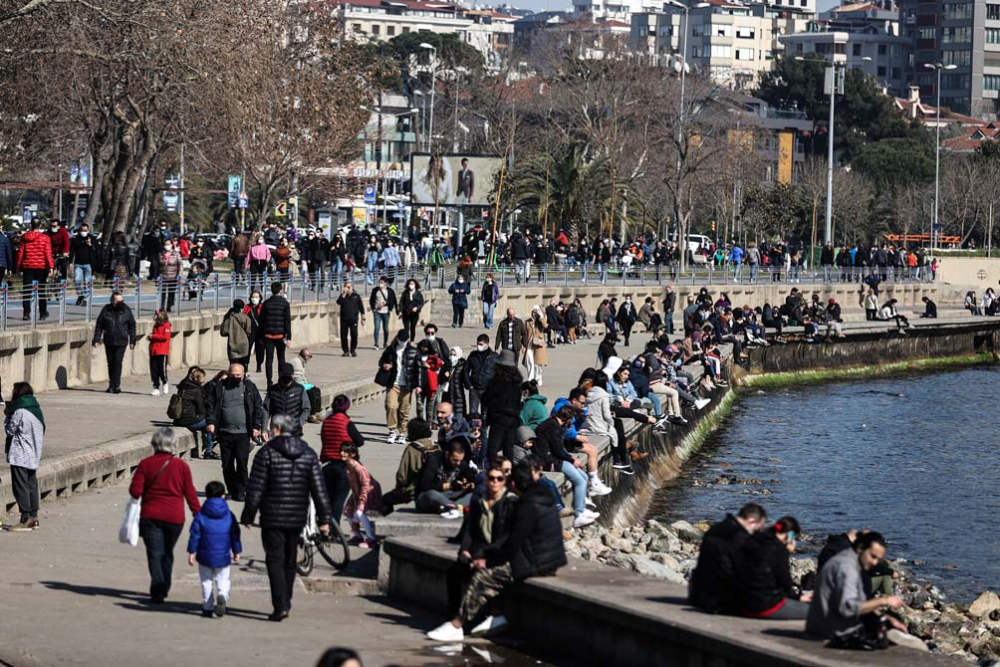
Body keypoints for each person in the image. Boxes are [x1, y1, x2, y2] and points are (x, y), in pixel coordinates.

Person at [426, 459, 567, 642]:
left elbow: (513, 543)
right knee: (469, 569)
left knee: (485, 575)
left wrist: (487, 559)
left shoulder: (526, 506)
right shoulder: (541, 497)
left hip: (539, 562)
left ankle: (457, 625)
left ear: (513, 484)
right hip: (547, 559)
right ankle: (494, 616)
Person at [241, 415, 334, 622]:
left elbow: (255, 488)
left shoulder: (266, 453)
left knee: (274, 559)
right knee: (290, 560)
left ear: (277, 429)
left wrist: (248, 515)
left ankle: (280, 604)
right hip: (297, 516)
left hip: (272, 516)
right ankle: (287, 600)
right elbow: (319, 490)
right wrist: (324, 519)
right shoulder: (308, 454)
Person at [807, 532, 925, 651]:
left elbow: (855, 602)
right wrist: (884, 601)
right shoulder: (847, 568)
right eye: (873, 556)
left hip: (826, 624)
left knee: (891, 627)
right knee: (916, 646)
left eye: (878, 559)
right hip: (830, 631)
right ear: (860, 548)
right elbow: (848, 608)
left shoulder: (848, 559)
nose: (874, 563)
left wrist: (884, 617)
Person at [129, 428, 201, 603]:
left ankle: (157, 589)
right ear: (172, 445)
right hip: (174, 518)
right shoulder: (181, 466)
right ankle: (165, 585)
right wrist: (198, 514)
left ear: (154, 444)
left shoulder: (146, 464)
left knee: (154, 553)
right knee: (167, 552)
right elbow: (190, 493)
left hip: (150, 516)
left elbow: (135, 491)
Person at [446, 459, 516, 633]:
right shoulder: (479, 500)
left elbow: (507, 536)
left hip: (499, 554)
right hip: (480, 549)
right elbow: (470, 529)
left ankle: (463, 622)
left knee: (484, 574)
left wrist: (484, 555)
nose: (495, 482)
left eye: (500, 479)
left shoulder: (510, 502)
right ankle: (452, 616)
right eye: (492, 478)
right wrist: (464, 550)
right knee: (455, 572)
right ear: (486, 479)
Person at [689, 503, 768, 614]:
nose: (757, 532)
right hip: (722, 600)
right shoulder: (741, 538)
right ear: (751, 521)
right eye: (758, 528)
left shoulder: (715, 529)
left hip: (698, 594)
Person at [206, 363, 264, 502]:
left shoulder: (249, 387)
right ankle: (232, 488)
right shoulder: (220, 387)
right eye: (233, 375)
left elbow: (257, 407)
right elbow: (210, 405)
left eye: (239, 375)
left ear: (243, 374)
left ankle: (241, 490)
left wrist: (256, 426)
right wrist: (211, 422)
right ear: (229, 374)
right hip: (225, 432)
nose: (236, 377)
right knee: (227, 464)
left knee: (242, 462)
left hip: (243, 433)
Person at [186, 480, 243, 618]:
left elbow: (195, 534)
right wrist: (236, 551)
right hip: (223, 555)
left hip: (204, 555)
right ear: (224, 496)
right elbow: (235, 533)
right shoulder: (229, 515)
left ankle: (207, 605)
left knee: (206, 581)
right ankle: (222, 594)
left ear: (206, 495)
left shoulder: (200, 515)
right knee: (223, 579)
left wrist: (192, 552)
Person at [736, 516, 810, 620]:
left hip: (741, 602)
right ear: (790, 535)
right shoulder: (778, 549)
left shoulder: (754, 540)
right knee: (815, 612)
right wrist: (798, 597)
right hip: (764, 605)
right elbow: (785, 583)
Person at [320, 394, 366, 527]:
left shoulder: (327, 422)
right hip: (344, 467)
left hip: (327, 466)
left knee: (327, 498)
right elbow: (360, 441)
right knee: (338, 500)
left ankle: (324, 526)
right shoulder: (346, 422)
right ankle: (335, 530)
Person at [5, 383, 44, 531]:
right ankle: (34, 517)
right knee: (31, 485)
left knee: (20, 487)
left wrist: (8, 416)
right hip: (33, 454)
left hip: (20, 455)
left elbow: (10, 430)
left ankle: (25, 518)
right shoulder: (36, 410)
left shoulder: (20, 411)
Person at [381, 418, 438, 514]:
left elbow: (402, 475)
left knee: (384, 500)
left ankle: (386, 523)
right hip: (436, 486)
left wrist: (400, 488)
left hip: (414, 489)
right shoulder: (436, 446)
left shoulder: (412, 448)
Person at [377, 330, 418, 444]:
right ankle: (392, 430)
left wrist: (418, 385)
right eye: (401, 340)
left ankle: (402, 432)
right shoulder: (391, 350)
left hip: (407, 384)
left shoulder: (413, 351)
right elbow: (381, 361)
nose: (402, 342)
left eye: (404, 341)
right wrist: (384, 365)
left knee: (404, 410)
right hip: (393, 383)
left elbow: (417, 369)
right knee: (391, 406)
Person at [92, 291, 137, 394]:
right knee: (111, 363)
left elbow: (132, 326)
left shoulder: (126, 310)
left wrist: (132, 341)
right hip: (109, 340)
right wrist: (97, 339)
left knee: (117, 362)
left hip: (121, 340)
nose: (121, 303)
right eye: (118, 301)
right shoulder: (106, 310)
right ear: (113, 301)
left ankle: (116, 385)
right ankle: (111, 384)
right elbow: (99, 325)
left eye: (122, 301)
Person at [482, 350, 523, 463]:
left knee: (492, 449)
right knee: (508, 449)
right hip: (513, 419)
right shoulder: (517, 384)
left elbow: (485, 399)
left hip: (498, 418)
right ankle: (508, 471)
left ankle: (495, 469)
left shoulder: (495, 382)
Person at [341, 443, 381, 548]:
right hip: (357, 492)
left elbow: (365, 485)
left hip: (369, 492)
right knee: (348, 512)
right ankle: (358, 536)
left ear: (353, 454)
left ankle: (372, 538)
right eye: (341, 451)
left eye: (345, 451)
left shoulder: (359, 468)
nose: (342, 453)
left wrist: (361, 502)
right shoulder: (346, 467)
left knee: (359, 513)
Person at [174, 366, 217, 459]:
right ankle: (209, 450)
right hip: (189, 421)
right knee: (211, 423)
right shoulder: (196, 391)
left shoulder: (183, 386)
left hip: (178, 420)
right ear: (199, 379)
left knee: (209, 423)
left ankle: (208, 448)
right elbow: (201, 409)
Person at [16, 219, 55, 321]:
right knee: (41, 291)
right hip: (41, 267)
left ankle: (26, 313)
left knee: (27, 291)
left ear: (30, 225)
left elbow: (21, 252)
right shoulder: (45, 238)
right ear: (40, 225)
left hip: (28, 266)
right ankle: (42, 313)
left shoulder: (25, 237)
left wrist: (18, 266)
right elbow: (47, 253)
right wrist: (51, 266)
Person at [263, 363, 311, 437]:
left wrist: (300, 422)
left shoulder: (299, 389)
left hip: (294, 431)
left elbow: (306, 408)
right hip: (277, 431)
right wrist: (264, 429)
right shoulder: (273, 390)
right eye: (284, 379)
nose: (286, 382)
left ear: (292, 376)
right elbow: (266, 410)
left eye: (289, 379)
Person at [260, 282, 292, 388]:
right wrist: (289, 337)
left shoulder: (266, 303)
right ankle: (281, 380)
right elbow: (287, 321)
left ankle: (269, 382)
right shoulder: (285, 303)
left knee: (269, 359)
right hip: (280, 335)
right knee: (281, 359)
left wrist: (260, 336)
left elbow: (261, 321)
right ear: (280, 290)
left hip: (268, 335)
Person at [464, 334, 496, 415]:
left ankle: (484, 428)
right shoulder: (473, 355)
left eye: (481, 344)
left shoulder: (494, 357)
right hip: (474, 389)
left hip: (487, 390)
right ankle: (474, 427)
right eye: (478, 344)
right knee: (473, 413)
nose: (479, 346)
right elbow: (466, 370)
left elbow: (498, 374)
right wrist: (469, 385)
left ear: (487, 344)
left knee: (485, 413)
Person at [290, 347, 323, 423]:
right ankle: (311, 414)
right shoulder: (296, 361)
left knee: (316, 390)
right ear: (305, 356)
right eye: (310, 356)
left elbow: (302, 376)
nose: (310, 358)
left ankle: (316, 412)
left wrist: (307, 383)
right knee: (311, 392)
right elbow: (296, 377)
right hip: (296, 384)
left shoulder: (302, 362)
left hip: (301, 383)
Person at [68, 223, 97, 306]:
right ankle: (80, 295)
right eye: (82, 230)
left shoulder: (91, 238)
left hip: (88, 264)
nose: (83, 232)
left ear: (88, 230)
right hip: (78, 264)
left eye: (85, 230)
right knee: (77, 280)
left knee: (87, 282)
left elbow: (95, 251)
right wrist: (70, 262)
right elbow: (72, 251)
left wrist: (90, 245)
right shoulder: (75, 239)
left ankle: (85, 298)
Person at [221, 299, 254, 368]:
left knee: (233, 365)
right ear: (242, 308)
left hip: (232, 344)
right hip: (244, 344)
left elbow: (224, 332)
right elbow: (249, 331)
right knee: (242, 365)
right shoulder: (246, 318)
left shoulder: (228, 317)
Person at [336, 283, 365, 357]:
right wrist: (344, 294)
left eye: (349, 287)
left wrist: (363, 316)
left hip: (353, 319)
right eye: (346, 287)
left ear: (352, 288)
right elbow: (339, 302)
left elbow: (361, 307)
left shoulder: (356, 296)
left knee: (354, 334)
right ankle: (345, 351)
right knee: (343, 335)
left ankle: (353, 350)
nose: (348, 289)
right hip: (344, 319)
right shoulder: (342, 296)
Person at [369, 276, 397, 350]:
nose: (380, 284)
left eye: (382, 282)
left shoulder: (390, 291)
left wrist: (385, 305)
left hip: (386, 311)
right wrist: (373, 309)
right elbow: (371, 299)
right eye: (380, 282)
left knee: (386, 329)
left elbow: (393, 301)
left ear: (385, 283)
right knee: (377, 328)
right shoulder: (375, 290)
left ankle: (385, 342)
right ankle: (376, 343)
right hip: (377, 312)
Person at [149, 310, 172, 396]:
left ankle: (165, 382)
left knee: (162, 370)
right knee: (154, 370)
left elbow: (165, 337)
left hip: (162, 351)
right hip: (154, 351)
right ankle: (156, 387)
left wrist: (153, 336)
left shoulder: (167, 326)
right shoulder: (155, 326)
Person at [524, 307, 547, 385]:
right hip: (529, 344)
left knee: (538, 363)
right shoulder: (528, 322)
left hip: (539, 344)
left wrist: (541, 316)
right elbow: (524, 334)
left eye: (536, 312)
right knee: (529, 362)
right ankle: (530, 379)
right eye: (533, 312)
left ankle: (538, 378)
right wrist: (523, 345)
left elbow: (545, 325)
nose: (535, 314)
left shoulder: (541, 321)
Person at [159, 239, 183, 312]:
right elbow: (158, 264)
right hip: (163, 275)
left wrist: (179, 275)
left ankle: (169, 306)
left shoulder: (176, 254)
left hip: (173, 276)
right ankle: (162, 307)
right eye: (165, 244)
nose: (167, 246)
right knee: (162, 292)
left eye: (168, 244)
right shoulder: (161, 254)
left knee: (171, 292)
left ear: (172, 245)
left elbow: (180, 264)